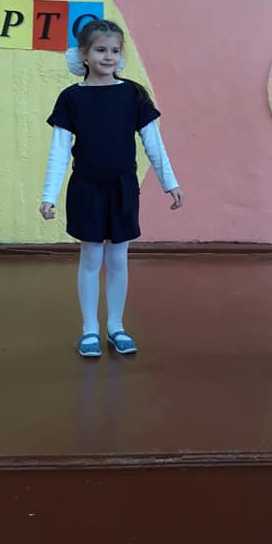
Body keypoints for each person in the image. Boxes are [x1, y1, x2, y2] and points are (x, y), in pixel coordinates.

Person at [40, 19, 183, 358]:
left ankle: (116, 326)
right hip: (86, 189)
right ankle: (89, 329)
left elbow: (153, 143)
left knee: (118, 258)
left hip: (122, 188)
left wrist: (170, 182)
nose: (109, 56)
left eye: (115, 50)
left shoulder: (133, 94)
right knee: (91, 256)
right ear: (84, 54)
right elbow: (59, 151)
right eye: (101, 50)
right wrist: (48, 195)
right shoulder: (71, 98)